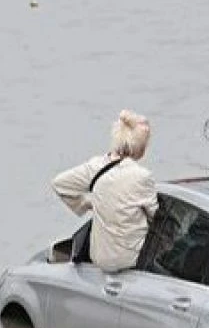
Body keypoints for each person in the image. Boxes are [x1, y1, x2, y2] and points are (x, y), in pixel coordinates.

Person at [51, 109, 159, 272]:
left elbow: (59, 184)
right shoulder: (142, 176)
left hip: (100, 261)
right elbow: (156, 217)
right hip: (133, 260)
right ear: (140, 148)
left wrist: (89, 204)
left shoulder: (96, 167)